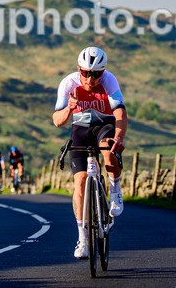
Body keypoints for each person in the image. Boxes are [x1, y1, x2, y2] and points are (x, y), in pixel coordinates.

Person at [52, 46, 127, 260]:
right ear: (79, 69)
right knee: (81, 182)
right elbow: (57, 121)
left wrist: (119, 138)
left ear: (103, 73)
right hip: (81, 129)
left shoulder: (109, 81)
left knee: (107, 147)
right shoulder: (68, 83)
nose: (91, 78)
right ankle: (83, 239)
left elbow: (120, 111)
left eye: (96, 74)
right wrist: (69, 108)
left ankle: (115, 188)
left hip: (104, 125)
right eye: (86, 73)